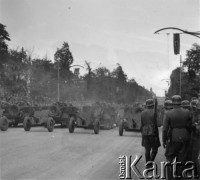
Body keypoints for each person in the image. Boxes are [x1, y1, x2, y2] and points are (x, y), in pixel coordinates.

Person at [162, 95, 192, 180]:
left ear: (172, 102)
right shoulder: (187, 112)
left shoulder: (168, 113)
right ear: (180, 102)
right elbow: (190, 126)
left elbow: (164, 129)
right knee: (181, 160)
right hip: (184, 138)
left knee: (169, 159)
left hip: (172, 138)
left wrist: (164, 140)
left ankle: (170, 178)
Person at [141, 99, 160, 163]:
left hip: (145, 132)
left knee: (147, 149)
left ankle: (147, 163)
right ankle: (150, 162)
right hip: (153, 132)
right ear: (152, 105)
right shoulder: (154, 112)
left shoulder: (142, 113)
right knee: (154, 149)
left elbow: (142, 123)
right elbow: (159, 123)